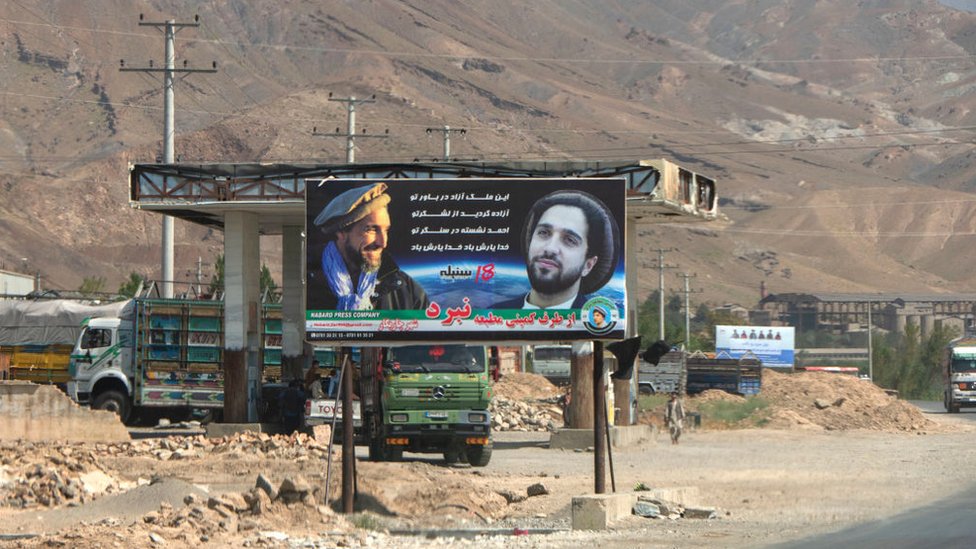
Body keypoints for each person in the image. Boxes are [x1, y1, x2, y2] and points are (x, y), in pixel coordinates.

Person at [308, 182, 429, 311]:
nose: (383, 243)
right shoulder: (308, 283)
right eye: (371, 229)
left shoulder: (406, 290)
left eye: (386, 230)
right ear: (341, 233)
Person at [493, 190, 619, 309]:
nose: (550, 248)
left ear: (588, 265)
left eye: (570, 240)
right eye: (543, 232)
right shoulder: (494, 316)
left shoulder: (594, 325)